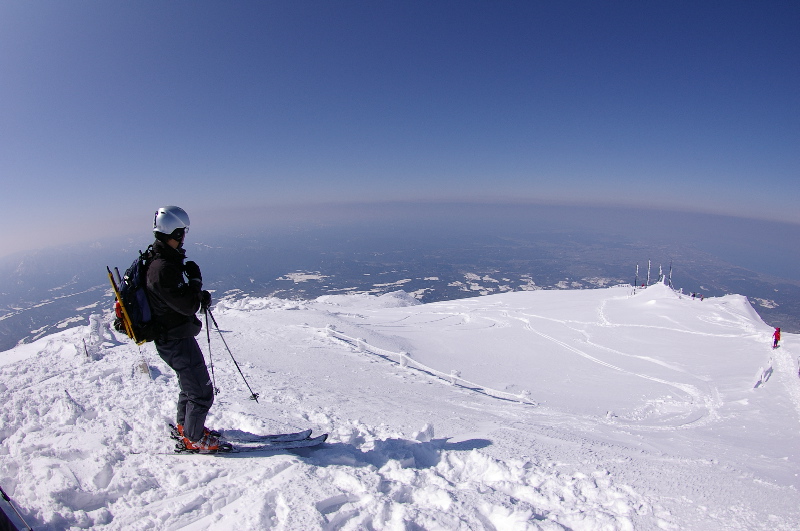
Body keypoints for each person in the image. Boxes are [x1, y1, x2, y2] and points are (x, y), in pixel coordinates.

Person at [146, 206, 218, 452]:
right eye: (182, 232)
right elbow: (186, 306)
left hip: (173, 336)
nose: (184, 236)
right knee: (201, 392)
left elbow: (177, 300)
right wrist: (196, 283)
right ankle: (194, 438)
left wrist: (196, 292)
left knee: (189, 386)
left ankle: (185, 428)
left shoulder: (162, 261)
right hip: (175, 339)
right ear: (174, 233)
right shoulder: (163, 268)